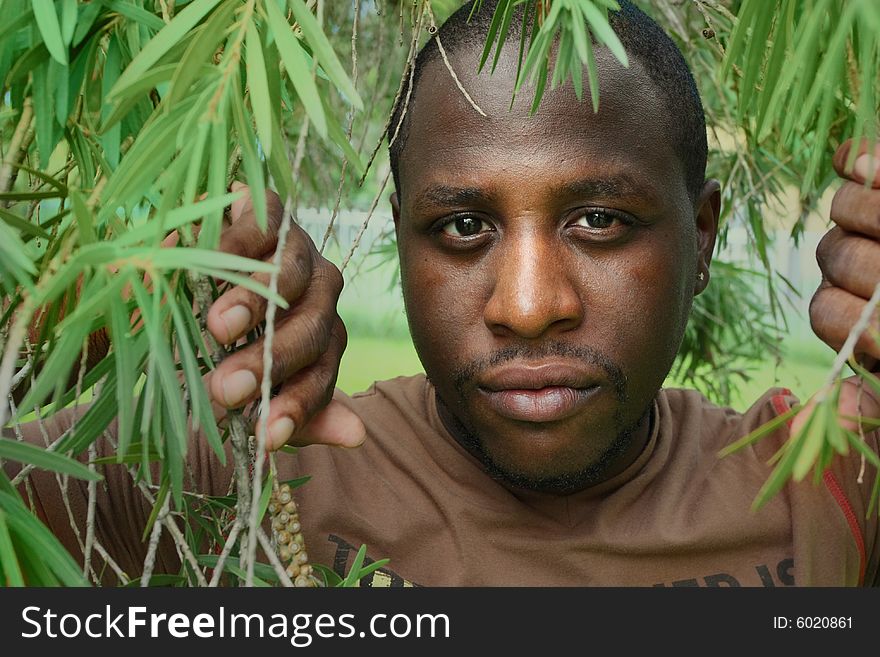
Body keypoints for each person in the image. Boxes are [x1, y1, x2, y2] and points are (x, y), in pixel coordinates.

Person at [6, 0, 880, 586]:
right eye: (464, 228)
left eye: (601, 220)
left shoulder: (831, 494)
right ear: (400, 237)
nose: (529, 305)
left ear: (701, 234)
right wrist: (63, 317)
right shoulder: (234, 479)